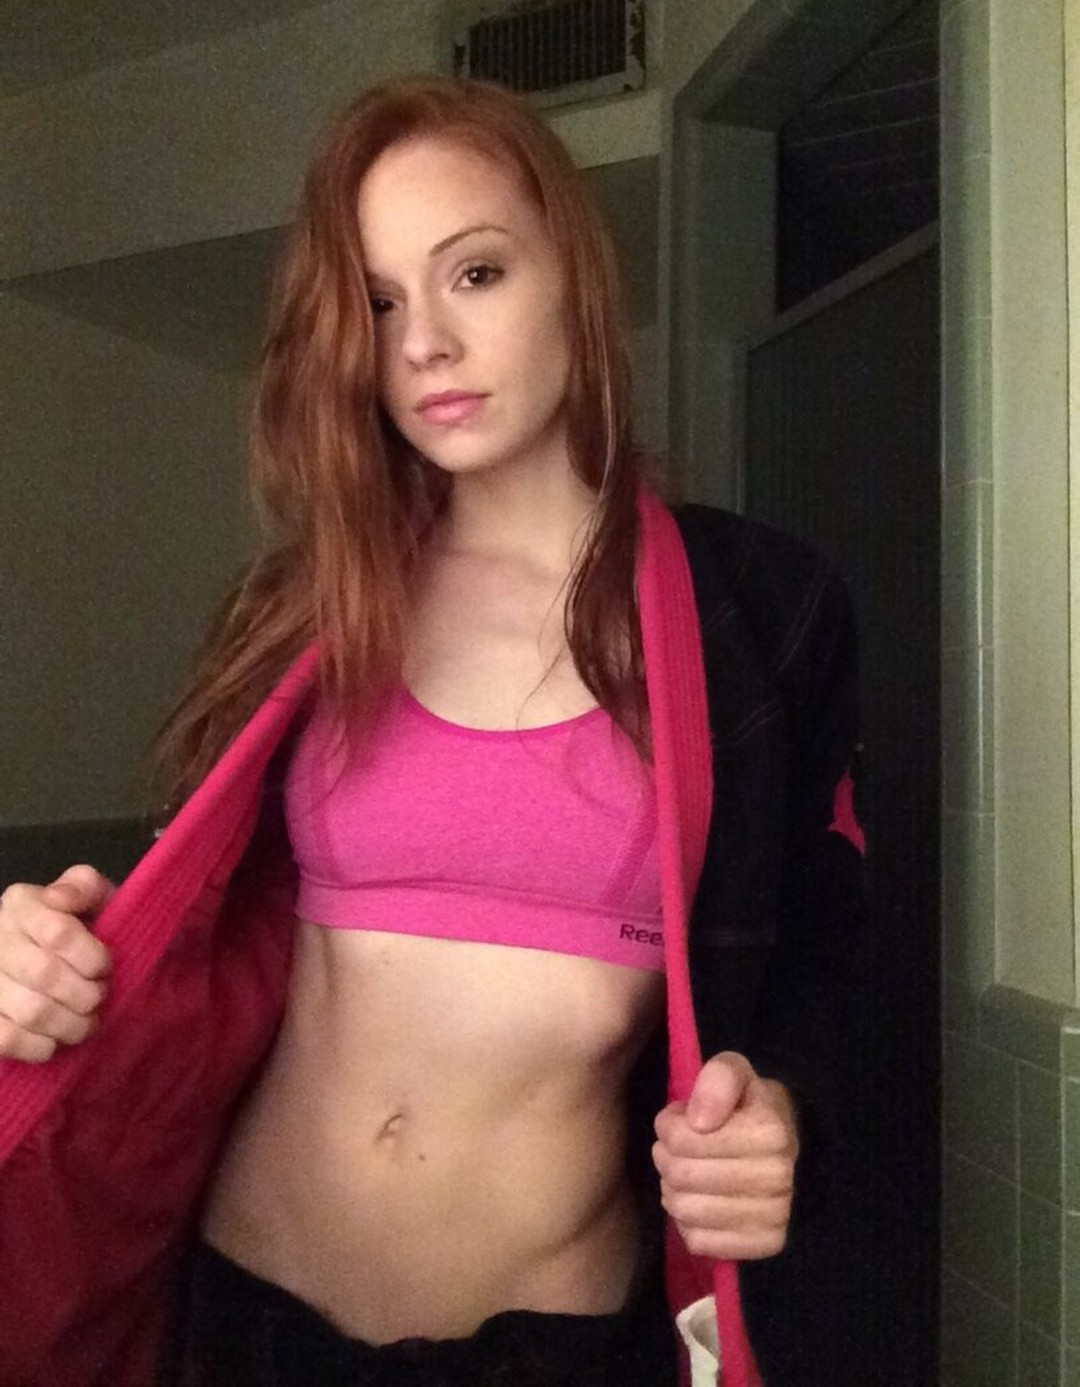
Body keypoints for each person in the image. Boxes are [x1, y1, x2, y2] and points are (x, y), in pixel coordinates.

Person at [0, 76, 865, 1387]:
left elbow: (829, 949)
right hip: (243, 1315)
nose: (424, 346)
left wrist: (785, 1108)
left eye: (475, 273)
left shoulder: (761, 611)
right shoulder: (310, 604)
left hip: (546, 1344)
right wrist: (45, 960)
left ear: (574, 277)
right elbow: (194, 934)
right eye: (380, 302)